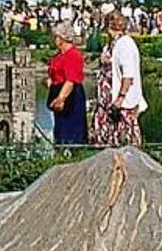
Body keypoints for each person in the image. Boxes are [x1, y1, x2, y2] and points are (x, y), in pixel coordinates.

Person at [92, 11, 145, 148]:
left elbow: (128, 74)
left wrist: (121, 97)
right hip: (106, 98)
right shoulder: (111, 44)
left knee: (123, 138)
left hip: (119, 100)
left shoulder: (125, 44)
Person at [47, 26, 87, 147]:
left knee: (71, 131)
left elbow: (70, 81)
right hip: (58, 90)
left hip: (70, 95)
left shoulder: (73, 55)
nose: (54, 40)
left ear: (62, 39)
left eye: (56, 37)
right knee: (59, 130)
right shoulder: (59, 55)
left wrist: (60, 99)